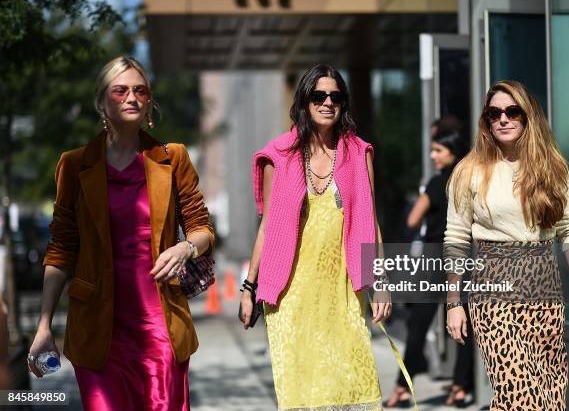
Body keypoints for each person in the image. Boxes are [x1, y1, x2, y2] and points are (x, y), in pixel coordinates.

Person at [27, 56, 215, 410]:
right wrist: (43, 325)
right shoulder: (74, 165)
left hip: (160, 327)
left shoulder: (172, 158)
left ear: (149, 102)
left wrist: (186, 249)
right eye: (120, 90)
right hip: (97, 330)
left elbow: (202, 228)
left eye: (140, 91)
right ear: (102, 101)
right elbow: (62, 248)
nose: (131, 97)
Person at [445, 80, 569, 410]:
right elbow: (456, 239)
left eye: (512, 111)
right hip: (494, 288)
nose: (503, 119)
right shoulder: (469, 171)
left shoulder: (553, 168)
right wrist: (453, 302)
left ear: (528, 116)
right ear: (486, 121)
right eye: (494, 113)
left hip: (544, 287)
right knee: (518, 392)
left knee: (550, 392)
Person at [239, 64, 391, 411]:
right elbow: (267, 226)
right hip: (290, 294)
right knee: (304, 394)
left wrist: (380, 279)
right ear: (304, 101)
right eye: (318, 95)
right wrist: (249, 288)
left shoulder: (358, 153)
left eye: (335, 96)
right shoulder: (279, 155)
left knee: (353, 385)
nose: (327, 103)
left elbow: (370, 220)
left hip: (343, 289)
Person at [383, 129, 472, 408]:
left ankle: (402, 388)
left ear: (452, 152)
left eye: (438, 151)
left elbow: (412, 219)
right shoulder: (469, 180)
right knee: (464, 323)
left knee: (419, 324)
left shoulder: (436, 183)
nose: (433, 156)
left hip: (435, 258)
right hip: (465, 257)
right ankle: (460, 387)